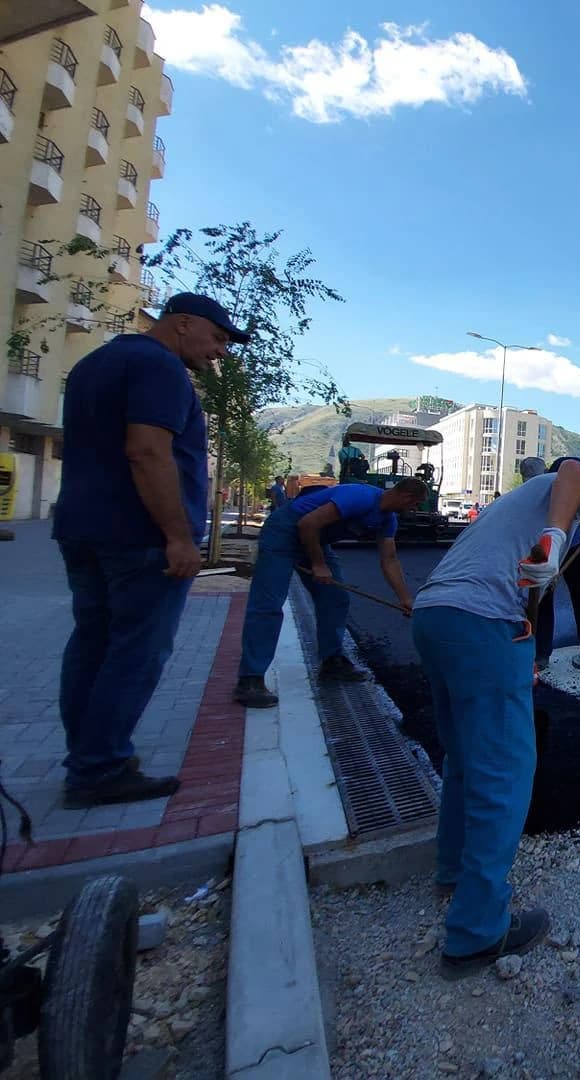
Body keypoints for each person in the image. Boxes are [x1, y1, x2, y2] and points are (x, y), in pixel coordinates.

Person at [51, 292, 249, 807]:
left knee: (92, 643)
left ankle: (90, 755)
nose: (221, 351)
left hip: (83, 527)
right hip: (140, 538)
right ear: (183, 324)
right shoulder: (158, 367)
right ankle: (100, 769)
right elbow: (146, 450)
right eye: (219, 338)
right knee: (138, 650)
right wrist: (179, 536)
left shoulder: (97, 362)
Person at [411, 458, 580, 977]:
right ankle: (476, 933)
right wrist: (560, 533)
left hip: (437, 617)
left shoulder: (509, 514)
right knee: (504, 775)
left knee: (465, 759)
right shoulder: (555, 493)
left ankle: (451, 870)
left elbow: (533, 590)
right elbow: (576, 468)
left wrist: (524, 649)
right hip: (480, 621)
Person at [233, 477, 427, 708]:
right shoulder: (361, 497)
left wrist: (405, 598)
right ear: (406, 497)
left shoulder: (387, 520)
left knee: (335, 599)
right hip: (285, 532)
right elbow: (307, 524)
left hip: (315, 539)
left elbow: (390, 559)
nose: (413, 510)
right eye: (415, 505)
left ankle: (332, 662)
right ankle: (250, 679)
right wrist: (318, 564)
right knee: (269, 604)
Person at [517, 458, 580, 672]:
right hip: (544, 549)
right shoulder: (527, 494)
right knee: (542, 599)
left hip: (573, 544)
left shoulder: (561, 482)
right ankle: (540, 653)